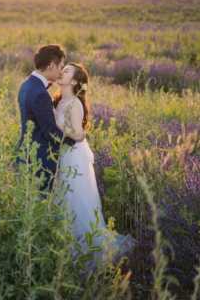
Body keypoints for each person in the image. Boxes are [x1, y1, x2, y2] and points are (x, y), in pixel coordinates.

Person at [53, 62, 136, 271]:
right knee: (61, 199)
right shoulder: (58, 100)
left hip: (73, 155)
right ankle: (63, 247)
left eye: (66, 71)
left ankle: (84, 253)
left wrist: (57, 127)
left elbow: (79, 134)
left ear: (73, 81)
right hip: (60, 154)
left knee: (77, 199)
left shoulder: (75, 104)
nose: (61, 72)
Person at [17, 44, 75, 192]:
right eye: (60, 66)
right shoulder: (40, 93)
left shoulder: (26, 85)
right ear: (51, 65)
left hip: (26, 153)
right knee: (40, 203)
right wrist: (73, 141)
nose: (61, 72)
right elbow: (50, 131)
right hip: (40, 160)